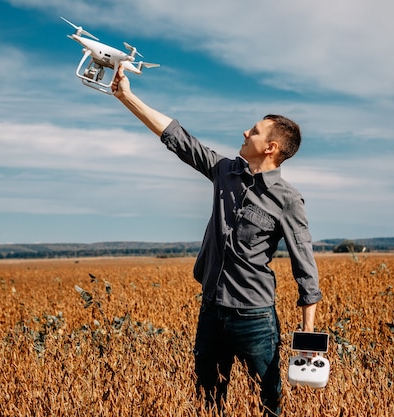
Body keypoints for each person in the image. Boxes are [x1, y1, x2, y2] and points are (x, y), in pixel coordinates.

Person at [111, 66, 322, 416]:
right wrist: (127, 97)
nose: (244, 131)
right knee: (207, 402)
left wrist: (309, 336)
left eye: (253, 131)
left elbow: (306, 269)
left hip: (254, 317)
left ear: (270, 147)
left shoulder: (288, 199)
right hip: (211, 312)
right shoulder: (225, 171)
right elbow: (179, 140)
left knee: (268, 404)